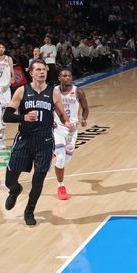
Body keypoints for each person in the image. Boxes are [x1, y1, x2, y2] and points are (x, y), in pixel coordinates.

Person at [3, 59, 73, 225]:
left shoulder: (53, 92)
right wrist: (23, 117)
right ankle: (15, 190)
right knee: (9, 180)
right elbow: (6, 116)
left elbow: (62, 114)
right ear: (31, 72)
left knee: (38, 180)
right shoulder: (21, 91)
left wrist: (67, 122)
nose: (42, 72)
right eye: (38, 70)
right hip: (24, 140)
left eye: (44, 70)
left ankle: (29, 210)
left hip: (45, 141)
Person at [53, 68, 89, 200]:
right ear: (59, 78)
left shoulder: (78, 91)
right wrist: (50, 121)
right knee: (61, 158)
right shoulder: (54, 91)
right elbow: (47, 108)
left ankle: (55, 152)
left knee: (66, 159)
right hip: (58, 127)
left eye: (69, 75)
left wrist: (84, 119)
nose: (67, 77)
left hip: (72, 129)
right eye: (64, 75)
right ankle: (61, 186)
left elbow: (85, 108)